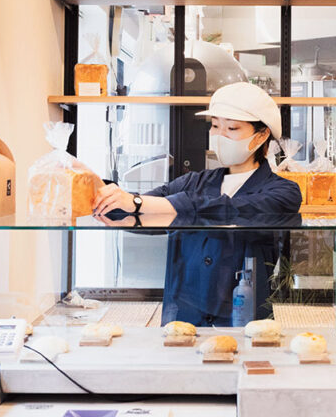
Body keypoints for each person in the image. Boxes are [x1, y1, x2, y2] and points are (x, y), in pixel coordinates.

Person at [92, 81, 303, 326]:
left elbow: (230, 210)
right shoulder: (193, 182)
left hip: (245, 319)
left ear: (262, 135)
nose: (219, 136)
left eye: (232, 128)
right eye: (214, 126)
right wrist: (99, 190)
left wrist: (143, 203)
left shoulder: (283, 192)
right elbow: (134, 212)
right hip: (184, 318)